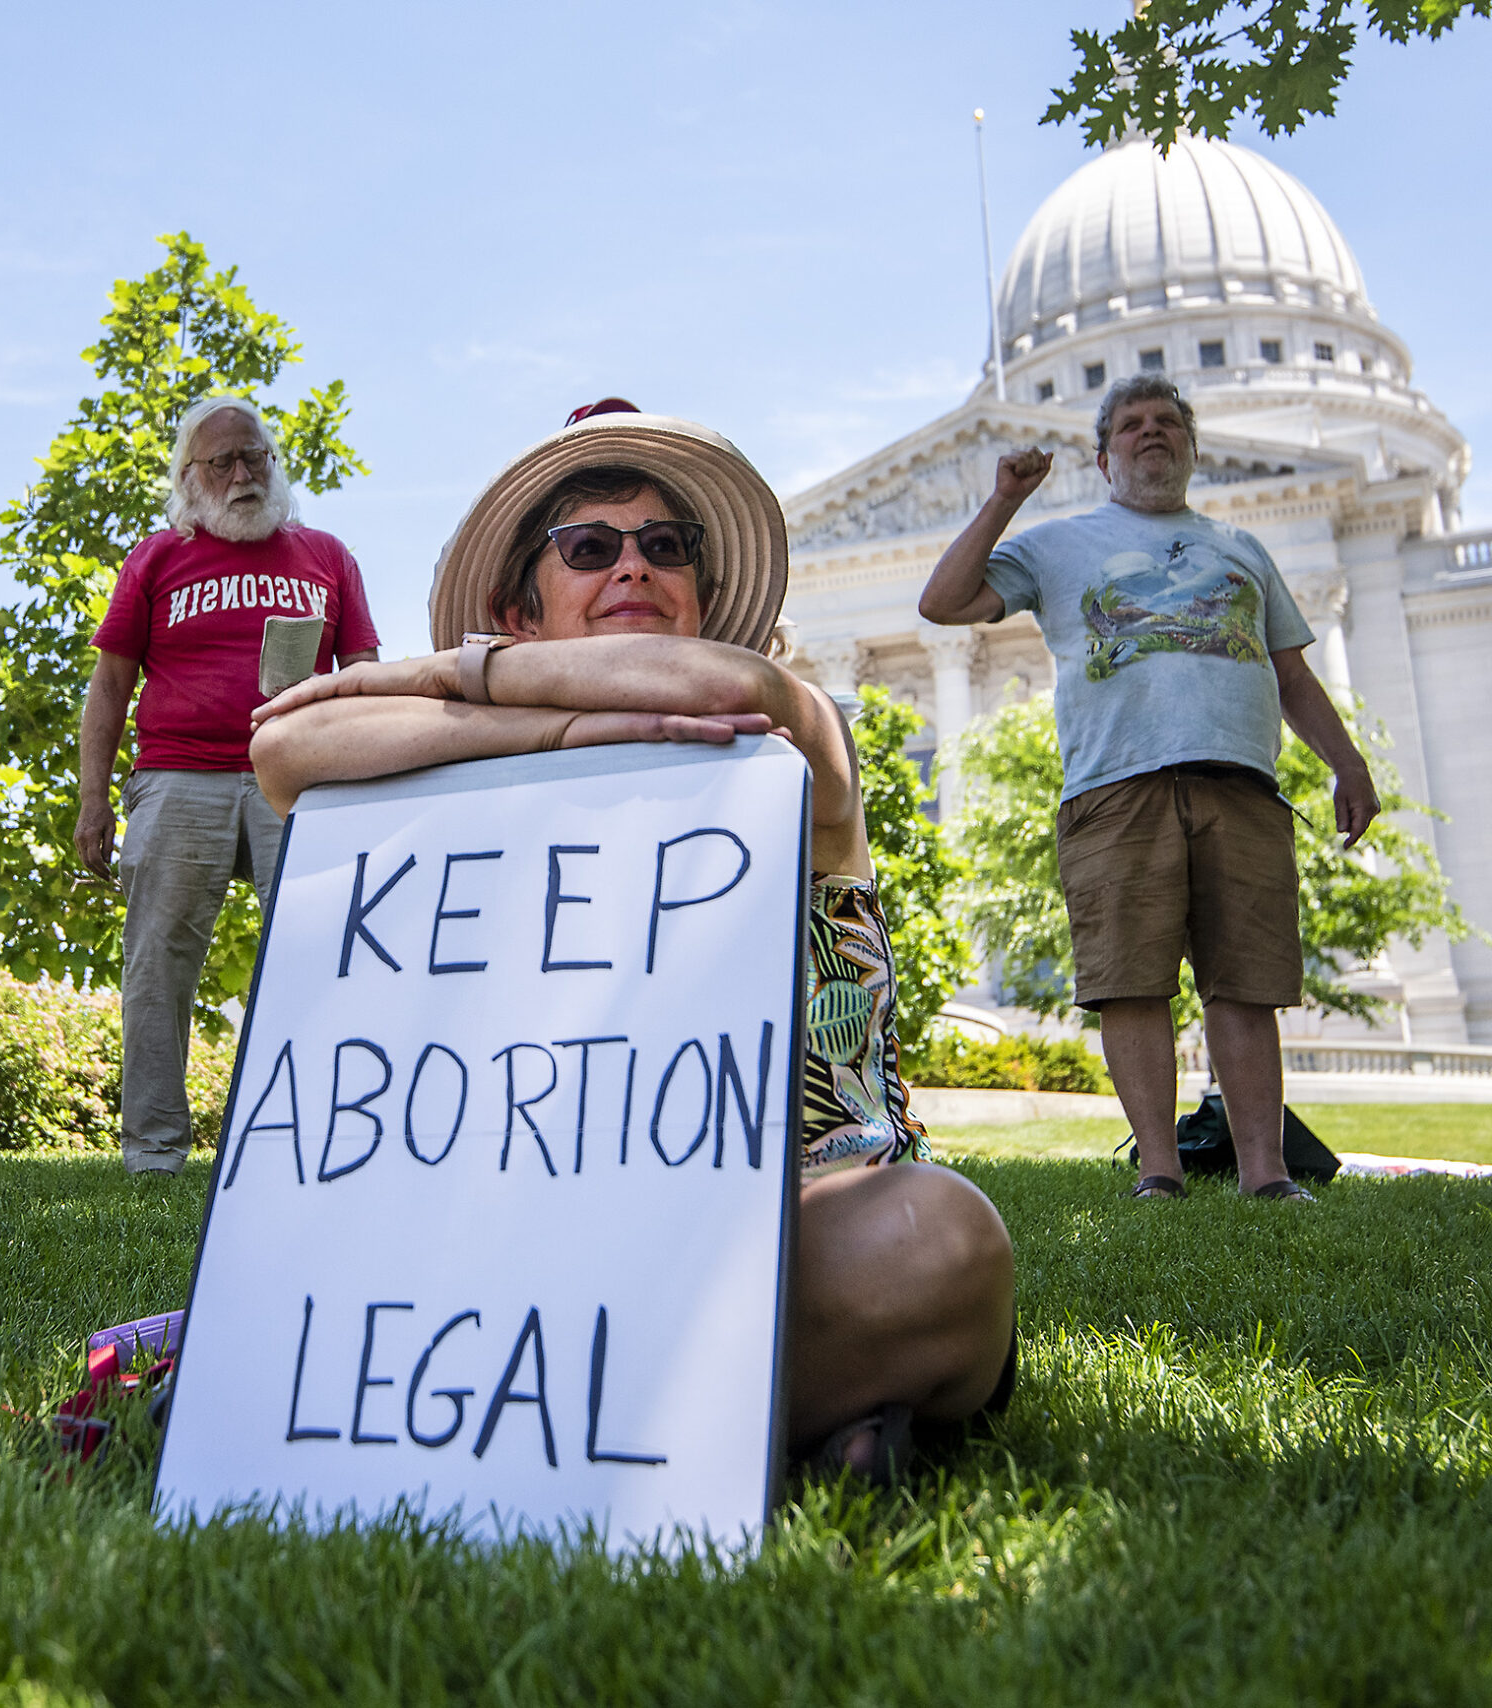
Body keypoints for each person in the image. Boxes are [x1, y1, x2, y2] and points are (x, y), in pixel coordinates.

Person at [250, 410, 1016, 1475]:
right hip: (530, 1228)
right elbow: (286, 747)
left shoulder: (789, 733)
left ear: (701, 593)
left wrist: (459, 683)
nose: (634, 565)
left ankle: (463, 1410)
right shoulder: (478, 770)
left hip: (800, 1225)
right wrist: (557, 724)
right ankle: (768, 1419)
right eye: (590, 546)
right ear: (519, 607)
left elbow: (722, 689)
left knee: (940, 1240)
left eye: (666, 547)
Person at [918, 376, 1377, 1204]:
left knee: (1247, 983)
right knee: (1129, 980)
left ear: (1194, 450)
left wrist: (1349, 764)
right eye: (1131, 425)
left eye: (1168, 421)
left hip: (1241, 785)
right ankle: (1159, 1173)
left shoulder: (1242, 548)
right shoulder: (1057, 544)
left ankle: (1265, 1174)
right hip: (1114, 787)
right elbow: (942, 602)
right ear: (1103, 457)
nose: (1151, 432)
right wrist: (1005, 501)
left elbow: (1293, 675)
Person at [77, 396, 382, 1176]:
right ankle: (153, 1155)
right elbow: (110, 685)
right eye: (224, 462)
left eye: (256, 457)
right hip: (178, 776)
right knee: (158, 966)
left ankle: (322, 1138)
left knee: (325, 954)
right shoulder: (155, 559)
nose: (244, 474)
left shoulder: (328, 555)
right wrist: (94, 798)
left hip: (304, 781)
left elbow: (366, 677)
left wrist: (373, 782)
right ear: (190, 476)